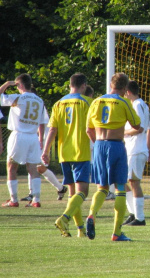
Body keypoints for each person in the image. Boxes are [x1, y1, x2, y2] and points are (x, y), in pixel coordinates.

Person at [86, 73, 141, 241]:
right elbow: (137, 125)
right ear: (125, 89)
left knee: (102, 188)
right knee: (120, 187)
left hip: (99, 146)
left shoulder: (96, 101)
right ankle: (117, 233)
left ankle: (91, 214)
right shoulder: (123, 102)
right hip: (116, 145)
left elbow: (88, 129)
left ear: (111, 84)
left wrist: (99, 145)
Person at [43, 73, 93, 237]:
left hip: (64, 153)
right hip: (81, 152)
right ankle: (64, 218)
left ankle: (80, 230)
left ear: (70, 85)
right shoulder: (87, 102)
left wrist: (46, 151)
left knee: (72, 194)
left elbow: (52, 130)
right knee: (83, 192)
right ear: (84, 86)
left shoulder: (59, 103)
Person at [0, 73, 48, 208]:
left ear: (21, 85)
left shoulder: (18, 97)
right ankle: (36, 199)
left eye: (17, 86)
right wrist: (40, 138)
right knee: (33, 169)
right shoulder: (39, 100)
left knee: (12, 167)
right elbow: (42, 122)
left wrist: (7, 84)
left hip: (19, 135)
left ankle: (14, 199)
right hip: (33, 137)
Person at [20, 88, 67, 202]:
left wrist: (41, 140)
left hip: (41, 139)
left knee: (37, 166)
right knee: (35, 166)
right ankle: (60, 188)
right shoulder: (32, 103)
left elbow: (43, 124)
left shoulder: (38, 104)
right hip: (36, 139)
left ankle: (34, 193)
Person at [122, 80, 150, 226]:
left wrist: (123, 132)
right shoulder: (141, 104)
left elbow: (140, 128)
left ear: (128, 92)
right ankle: (133, 213)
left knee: (134, 182)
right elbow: (149, 128)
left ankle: (140, 218)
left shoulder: (137, 105)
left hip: (136, 149)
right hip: (133, 149)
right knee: (124, 182)